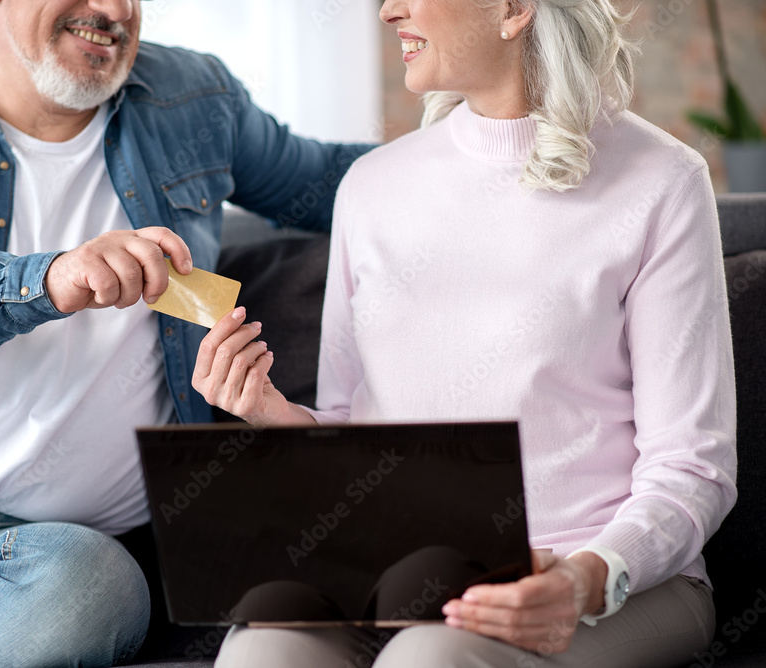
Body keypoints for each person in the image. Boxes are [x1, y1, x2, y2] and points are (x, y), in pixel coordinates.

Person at [0, 0, 372, 665]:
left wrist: (489, 121)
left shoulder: (198, 101)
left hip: (68, 544)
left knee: (87, 597)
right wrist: (44, 281)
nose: (112, 10)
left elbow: (347, 184)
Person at [192, 0, 737, 666]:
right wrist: (270, 415)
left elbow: (693, 468)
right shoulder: (372, 187)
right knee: (259, 655)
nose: (389, 11)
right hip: (396, 574)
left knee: (428, 658)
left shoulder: (662, 183)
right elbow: (344, 428)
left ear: (511, 10)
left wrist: (584, 579)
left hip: (604, 581)